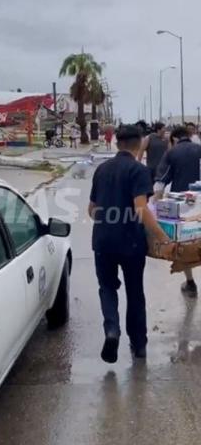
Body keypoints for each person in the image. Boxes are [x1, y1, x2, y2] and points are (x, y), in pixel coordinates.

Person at [89, 125, 173, 363]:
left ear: (117, 143)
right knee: (135, 292)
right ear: (139, 144)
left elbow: (92, 209)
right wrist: (163, 238)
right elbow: (141, 210)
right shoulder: (138, 170)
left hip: (103, 241)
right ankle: (139, 345)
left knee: (107, 288)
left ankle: (112, 330)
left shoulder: (102, 169)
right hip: (131, 243)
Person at [155, 126, 201, 297]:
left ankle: (190, 283)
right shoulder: (199, 148)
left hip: (184, 207)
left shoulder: (173, 153)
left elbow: (161, 181)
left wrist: (155, 204)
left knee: (186, 244)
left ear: (174, 139)